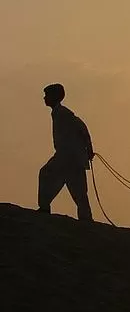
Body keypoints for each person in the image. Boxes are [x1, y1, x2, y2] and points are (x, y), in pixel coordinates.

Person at [38, 83, 94, 221]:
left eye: (47, 95)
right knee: (78, 191)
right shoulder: (59, 113)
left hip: (68, 157)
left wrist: (89, 149)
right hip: (70, 157)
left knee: (46, 174)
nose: (44, 98)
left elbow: (80, 126)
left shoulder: (64, 114)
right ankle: (85, 218)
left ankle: (45, 208)